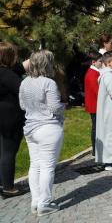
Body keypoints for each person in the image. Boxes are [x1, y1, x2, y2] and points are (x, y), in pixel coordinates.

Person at [19, 50, 65, 216]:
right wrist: (63, 107)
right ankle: (44, 203)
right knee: (47, 166)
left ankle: (36, 201)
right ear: (48, 64)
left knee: (35, 165)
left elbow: (22, 105)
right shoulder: (48, 83)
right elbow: (54, 107)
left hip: (31, 127)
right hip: (48, 127)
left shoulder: (25, 82)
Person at [0, 42, 27, 197]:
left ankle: (3, 182)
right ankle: (9, 187)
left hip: (3, 116)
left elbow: (17, 70)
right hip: (10, 118)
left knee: (3, 151)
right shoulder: (7, 74)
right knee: (9, 152)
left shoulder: (5, 72)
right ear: (8, 56)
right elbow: (23, 91)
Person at [95, 52, 112, 170]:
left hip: (109, 108)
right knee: (111, 134)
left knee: (109, 133)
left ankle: (111, 160)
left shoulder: (107, 74)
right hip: (110, 109)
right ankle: (110, 161)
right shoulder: (109, 75)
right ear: (109, 63)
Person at [84, 51, 102, 156]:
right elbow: (98, 91)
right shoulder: (92, 74)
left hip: (95, 104)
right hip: (95, 106)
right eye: (100, 61)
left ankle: (96, 149)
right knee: (96, 128)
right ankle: (95, 149)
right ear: (94, 62)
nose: (101, 63)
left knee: (96, 127)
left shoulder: (94, 72)